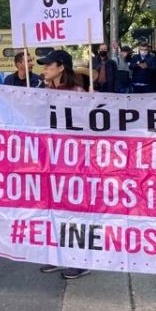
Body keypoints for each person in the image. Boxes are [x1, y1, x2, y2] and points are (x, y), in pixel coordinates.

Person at [35, 49, 90, 280]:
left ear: (61, 67)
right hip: (50, 160)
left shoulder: (78, 93)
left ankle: (80, 259)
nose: (44, 69)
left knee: (74, 209)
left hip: (73, 161)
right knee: (53, 206)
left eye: (48, 65)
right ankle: (58, 254)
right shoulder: (44, 91)